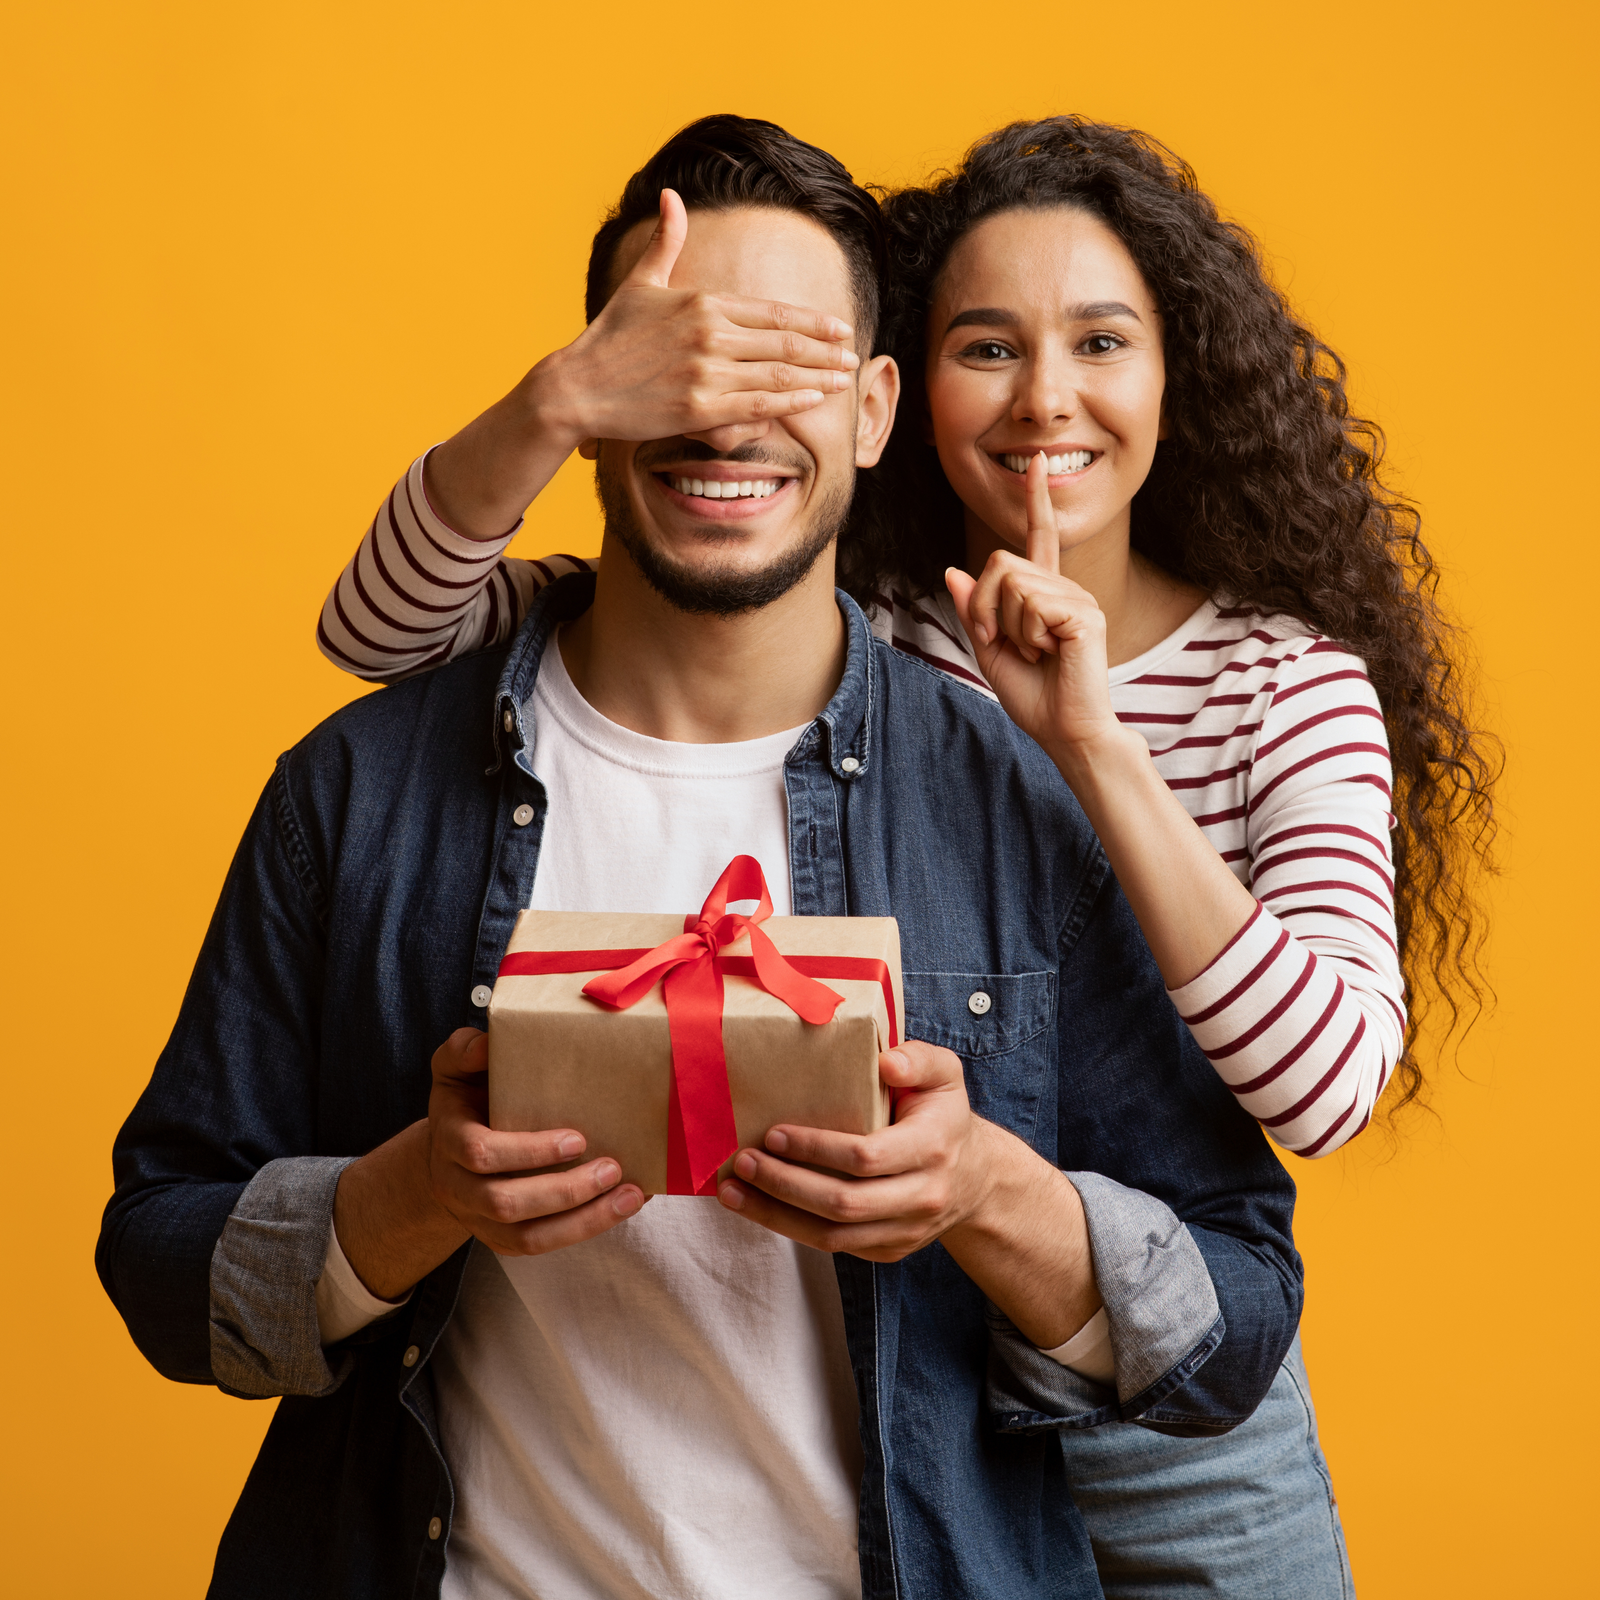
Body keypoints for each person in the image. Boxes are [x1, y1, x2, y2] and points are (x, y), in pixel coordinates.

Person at [98, 116, 1301, 1600]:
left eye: (784, 362)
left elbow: (1238, 1309)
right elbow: (159, 1261)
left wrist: (987, 1193)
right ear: (594, 397)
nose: (724, 415)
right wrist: (416, 1194)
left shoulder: (1023, 801)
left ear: (873, 412)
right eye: (674, 355)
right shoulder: (355, 793)